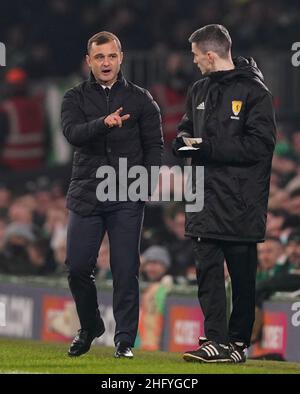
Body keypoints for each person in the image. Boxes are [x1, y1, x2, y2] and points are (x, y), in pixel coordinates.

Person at [172, 24, 276, 363]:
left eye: (196, 55)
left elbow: (260, 146)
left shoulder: (254, 93)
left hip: (241, 202)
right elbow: (188, 127)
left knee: (243, 277)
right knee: (207, 275)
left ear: (211, 54)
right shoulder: (198, 90)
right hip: (203, 198)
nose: (194, 62)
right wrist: (182, 141)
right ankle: (215, 340)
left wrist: (207, 147)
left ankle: (238, 344)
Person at [61, 31, 163, 358]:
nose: (106, 63)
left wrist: (146, 184)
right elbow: (72, 134)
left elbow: (155, 147)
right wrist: (103, 124)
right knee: (77, 268)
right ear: (88, 61)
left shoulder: (141, 99)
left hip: (126, 194)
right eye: (99, 57)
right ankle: (90, 325)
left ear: (121, 58)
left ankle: (124, 340)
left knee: (124, 269)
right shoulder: (73, 98)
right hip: (86, 193)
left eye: (111, 56)